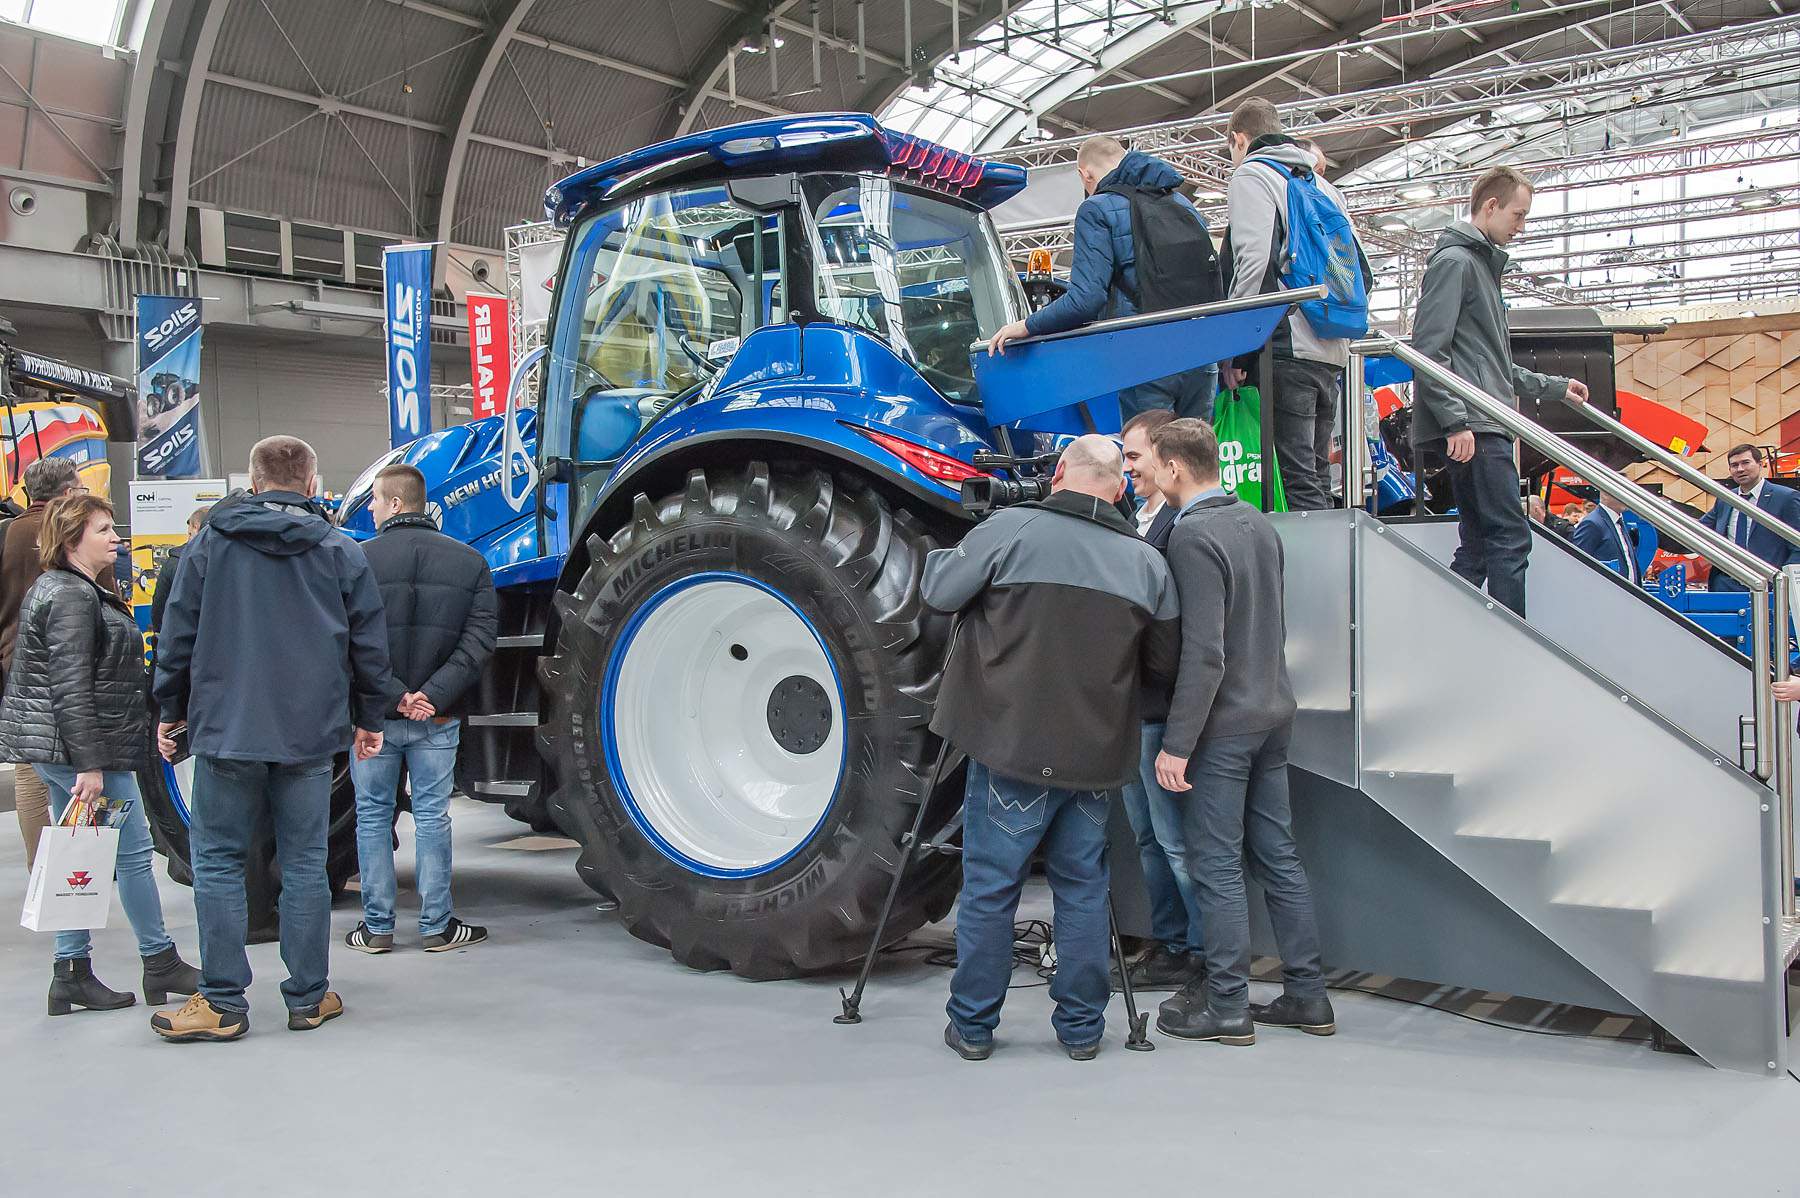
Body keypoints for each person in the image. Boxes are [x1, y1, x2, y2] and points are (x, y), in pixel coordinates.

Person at [923, 434, 1179, 1061]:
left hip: (1008, 746)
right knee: (1084, 887)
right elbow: (1164, 663)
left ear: (1060, 472)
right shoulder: (1146, 564)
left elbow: (938, 593)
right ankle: (1084, 1032)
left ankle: (975, 1028)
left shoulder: (1009, 531)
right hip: (1092, 759)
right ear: (1119, 487)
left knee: (991, 886)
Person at [150, 436, 399, 1042]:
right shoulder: (341, 549)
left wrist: (171, 709)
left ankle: (222, 1003)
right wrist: (371, 718)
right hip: (309, 736)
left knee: (217, 862)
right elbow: (369, 646)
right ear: (312, 485)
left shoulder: (208, 545)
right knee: (307, 865)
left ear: (254, 484)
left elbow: (177, 631)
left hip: (226, 731)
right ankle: (309, 998)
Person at [1146, 418, 1333, 1046]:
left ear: (1174, 468)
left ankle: (1227, 1007)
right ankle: (1308, 996)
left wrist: (1176, 743)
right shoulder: (1257, 522)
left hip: (1223, 727)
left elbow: (1204, 653)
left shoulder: (1193, 537)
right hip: (1274, 713)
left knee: (1216, 864)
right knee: (1279, 857)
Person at [0, 493, 199, 1016]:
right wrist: (89, 763)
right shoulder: (69, 595)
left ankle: (72, 971)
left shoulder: (76, 590)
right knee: (130, 854)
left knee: (79, 857)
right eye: (104, 529)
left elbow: (103, 681)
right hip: (85, 752)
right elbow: (70, 686)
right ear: (72, 539)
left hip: (88, 746)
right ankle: (157, 961)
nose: (117, 537)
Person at [1409, 166, 1589, 619]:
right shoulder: (1455, 262)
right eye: (1518, 215)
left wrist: (1554, 387)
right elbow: (1430, 349)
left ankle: (1442, 634)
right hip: (1475, 425)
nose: (1521, 227)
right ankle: (1512, 646)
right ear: (1490, 206)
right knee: (1509, 536)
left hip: (1483, 419)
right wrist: (1454, 420)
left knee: (1480, 544)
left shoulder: (1477, 265)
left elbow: (1489, 361)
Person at [345, 464, 497, 955]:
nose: (369, 508)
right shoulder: (470, 562)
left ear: (393, 504)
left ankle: (377, 929)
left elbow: (346, 642)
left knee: (371, 817)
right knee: (433, 817)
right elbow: (479, 642)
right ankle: (436, 927)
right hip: (439, 717)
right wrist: (431, 695)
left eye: (373, 500)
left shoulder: (354, 561)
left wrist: (393, 696)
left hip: (374, 720)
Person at [986, 135, 1219, 422]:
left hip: (1144, 355)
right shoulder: (1182, 202)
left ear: (1085, 174)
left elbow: (1086, 298)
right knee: (1195, 457)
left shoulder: (1096, 208)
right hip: (1203, 353)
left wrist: (1027, 325)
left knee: (1148, 458)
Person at [1221, 98, 1367, 511]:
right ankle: (1334, 569)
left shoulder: (1254, 176)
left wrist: (1235, 347)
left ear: (1239, 139)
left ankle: (1313, 576)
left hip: (1288, 349)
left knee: (1294, 478)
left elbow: (1254, 264)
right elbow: (1361, 272)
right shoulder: (1325, 187)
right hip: (1331, 347)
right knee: (1317, 473)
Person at [1117, 408, 1205, 988]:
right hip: (1130, 712)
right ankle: (1170, 943)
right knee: (1149, 838)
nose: (1128, 470)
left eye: (1134, 458)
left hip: (1159, 712)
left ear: (1166, 460)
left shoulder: (1180, 529)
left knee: (1177, 843)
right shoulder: (1136, 519)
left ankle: (1202, 953)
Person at [2, 458, 85, 869]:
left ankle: (44, 865)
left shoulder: (6, 532)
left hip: (14, 663)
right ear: (67, 492)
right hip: (74, 663)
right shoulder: (76, 533)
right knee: (86, 768)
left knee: (30, 771)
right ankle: (86, 861)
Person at [1700, 445, 1800, 592]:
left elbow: (1797, 546)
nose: (1740, 469)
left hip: (1769, 587)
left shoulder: (1785, 498)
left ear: (1760, 465)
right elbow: (1698, 528)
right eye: (1734, 465)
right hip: (1726, 585)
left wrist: (1783, 583)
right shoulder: (1725, 498)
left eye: (1745, 463)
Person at [149, 504, 212, 638]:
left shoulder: (175, 561)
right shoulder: (222, 559)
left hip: (178, 638)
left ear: (195, 528)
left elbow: (159, 605)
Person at [1571, 493, 1644, 585]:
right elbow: (1577, 565)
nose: (1627, 496)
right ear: (1605, 494)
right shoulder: (1592, 524)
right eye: (1622, 491)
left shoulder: (1618, 522)